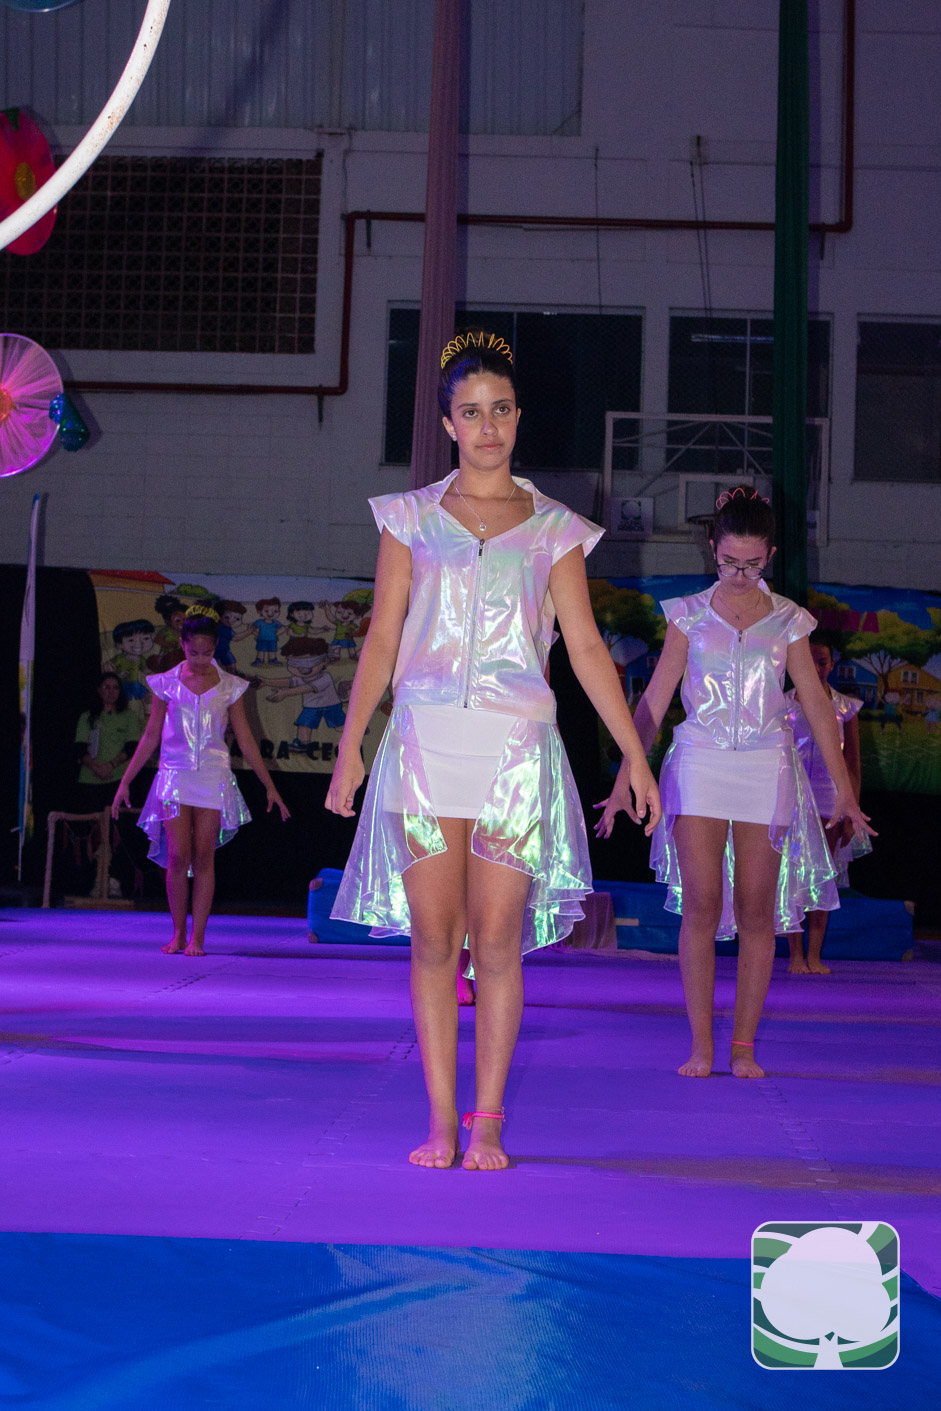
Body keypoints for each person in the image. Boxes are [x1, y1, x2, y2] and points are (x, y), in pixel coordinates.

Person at [326, 328, 660, 1171]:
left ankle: (488, 1122)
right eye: (470, 412)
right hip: (424, 744)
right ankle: (440, 1120)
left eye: (500, 410)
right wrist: (352, 744)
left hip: (515, 750)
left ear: (517, 417)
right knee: (434, 941)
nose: (487, 427)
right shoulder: (407, 518)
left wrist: (633, 753)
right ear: (447, 423)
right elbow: (381, 637)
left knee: (498, 940)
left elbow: (585, 647)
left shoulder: (553, 528)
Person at [633, 488, 875, 1080]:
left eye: (752, 564)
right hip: (699, 760)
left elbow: (817, 705)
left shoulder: (790, 620)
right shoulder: (687, 614)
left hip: (766, 765)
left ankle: (742, 1045)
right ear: (712, 548)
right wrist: (627, 773)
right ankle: (701, 1045)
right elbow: (655, 699)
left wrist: (844, 790)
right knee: (701, 904)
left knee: (756, 911)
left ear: (770, 555)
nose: (740, 575)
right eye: (728, 563)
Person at [112, 607, 290, 956]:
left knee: (204, 856)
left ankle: (198, 938)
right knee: (179, 855)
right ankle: (178, 933)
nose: (200, 659)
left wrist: (270, 786)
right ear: (182, 644)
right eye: (194, 652)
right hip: (175, 775)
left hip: (212, 775)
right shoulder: (165, 683)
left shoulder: (230, 686)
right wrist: (125, 781)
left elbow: (245, 739)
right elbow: (151, 735)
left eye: (207, 653)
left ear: (215, 648)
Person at [784, 634, 870, 974]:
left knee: (822, 877)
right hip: (791, 797)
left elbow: (853, 765)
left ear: (832, 665)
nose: (816, 668)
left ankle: (814, 955)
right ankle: (794, 955)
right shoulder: (782, 704)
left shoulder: (846, 707)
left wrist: (852, 812)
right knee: (791, 875)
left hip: (829, 800)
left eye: (822, 662)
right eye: (809, 661)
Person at [73, 672, 140, 897]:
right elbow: (79, 748)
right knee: (91, 831)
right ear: (99, 690)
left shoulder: (128, 717)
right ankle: (92, 879)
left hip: (117, 780)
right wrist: (96, 767)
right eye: (106, 687)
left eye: (115, 687)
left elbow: (132, 746)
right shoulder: (88, 717)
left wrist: (110, 766)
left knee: (117, 831)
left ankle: (114, 879)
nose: (110, 692)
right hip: (90, 780)